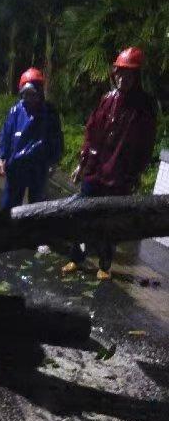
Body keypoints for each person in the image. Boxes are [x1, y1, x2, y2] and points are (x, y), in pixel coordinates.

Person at [61, 46, 157, 280]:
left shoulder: (145, 106)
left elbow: (145, 145)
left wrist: (134, 174)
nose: (123, 79)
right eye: (120, 73)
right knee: (82, 215)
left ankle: (105, 265)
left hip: (119, 176)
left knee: (110, 223)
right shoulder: (107, 100)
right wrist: (82, 164)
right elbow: (91, 133)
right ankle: (76, 257)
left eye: (129, 74)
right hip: (95, 171)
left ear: (137, 77)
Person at [0, 68, 63, 211]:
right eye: (26, 94)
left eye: (32, 94)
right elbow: (6, 134)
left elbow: (56, 138)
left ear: (39, 92)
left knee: (36, 207)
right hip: (16, 166)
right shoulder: (16, 111)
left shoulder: (49, 113)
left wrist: (53, 161)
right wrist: (2, 157)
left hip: (38, 166)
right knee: (9, 206)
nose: (29, 99)